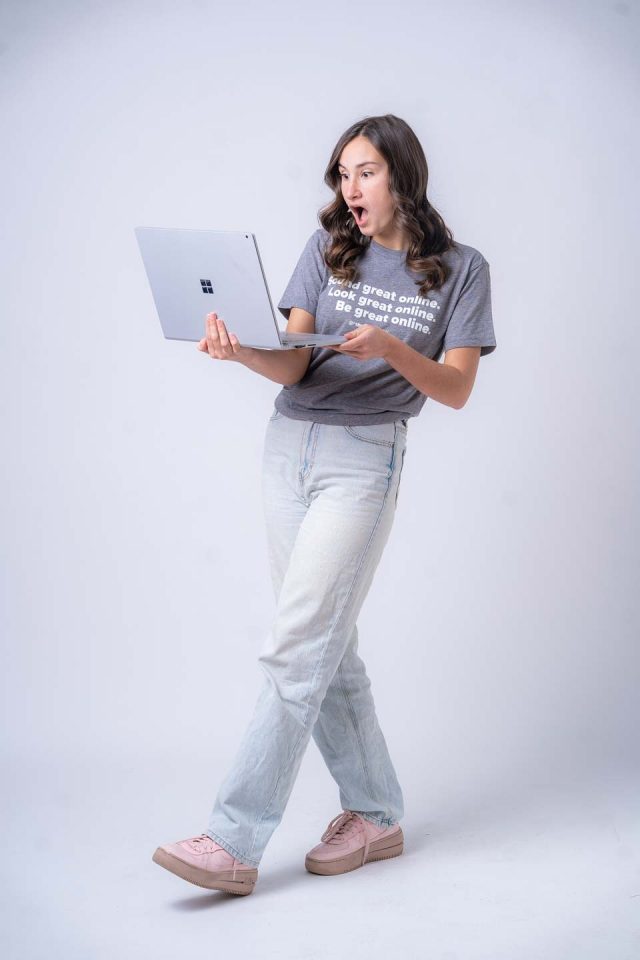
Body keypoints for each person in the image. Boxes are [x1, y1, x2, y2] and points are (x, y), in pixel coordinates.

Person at [152, 113, 497, 896]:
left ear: (403, 175)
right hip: (289, 451)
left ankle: (233, 840)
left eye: (365, 172)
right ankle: (376, 812)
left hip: (364, 460)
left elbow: (458, 389)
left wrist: (394, 348)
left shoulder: (463, 269)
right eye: (342, 175)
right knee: (324, 644)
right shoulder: (326, 249)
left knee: (298, 641)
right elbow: (296, 368)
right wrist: (242, 350)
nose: (350, 189)